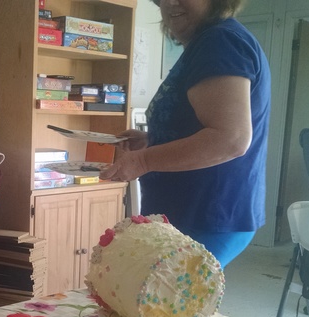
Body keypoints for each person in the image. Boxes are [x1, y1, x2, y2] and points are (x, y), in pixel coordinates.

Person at [100, 0, 271, 267]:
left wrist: (143, 161)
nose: (170, 2)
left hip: (205, 216)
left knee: (163, 305)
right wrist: (153, 140)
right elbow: (200, 126)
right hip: (199, 213)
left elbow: (230, 138)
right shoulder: (212, 40)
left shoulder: (219, 42)